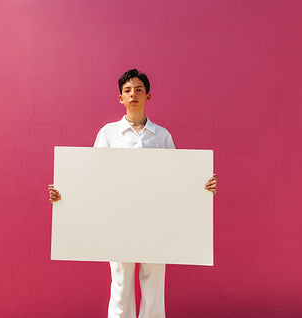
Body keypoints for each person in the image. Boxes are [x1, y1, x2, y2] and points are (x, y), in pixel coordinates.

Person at [48, 69, 217, 318]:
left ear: (149, 95)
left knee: (154, 287)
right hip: (118, 222)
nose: (133, 94)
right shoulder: (108, 134)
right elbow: (91, 177)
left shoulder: (162, 136)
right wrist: (65, 193)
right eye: (127, 90)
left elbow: (176, 179)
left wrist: (202, 187)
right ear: (120, 98)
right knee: (121, 286)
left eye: (138, 89)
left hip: (156, 222)